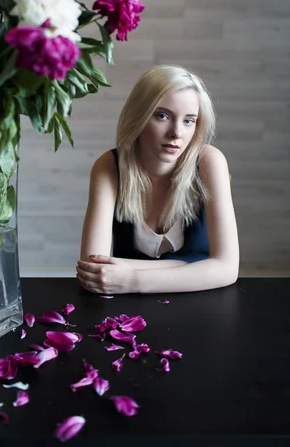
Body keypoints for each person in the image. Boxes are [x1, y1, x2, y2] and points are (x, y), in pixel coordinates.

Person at [77, 64, 239, 294]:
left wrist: (132, 279)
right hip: (128, 313)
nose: (177, 133)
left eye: (189, 120)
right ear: (139, 116)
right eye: (162, 116)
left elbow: (228, 269)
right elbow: (93, 269)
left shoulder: (210, 162)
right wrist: (195, 266)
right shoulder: (109, 166)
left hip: (202, 309)